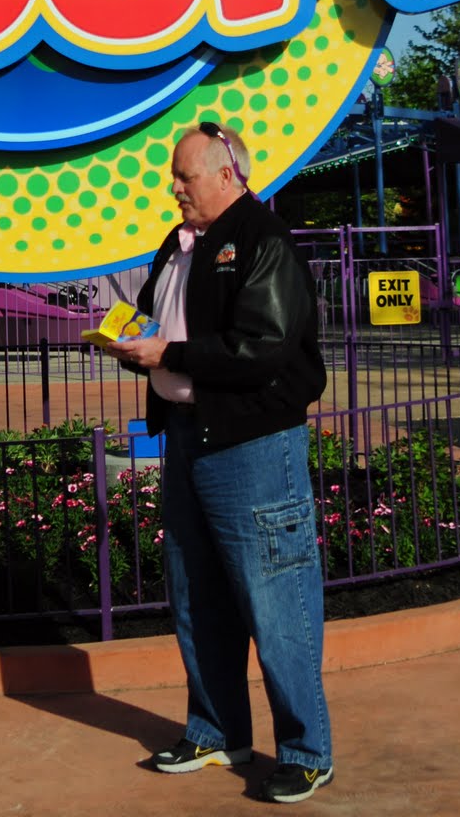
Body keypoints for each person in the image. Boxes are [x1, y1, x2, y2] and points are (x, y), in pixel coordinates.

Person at [106, 122, 333, 805]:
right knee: (196, 596)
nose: (174, 189)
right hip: (187, 436)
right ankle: (214, 731)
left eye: (184, 177)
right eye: (174, 178)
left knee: (276, 602)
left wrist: (168, 356)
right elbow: (158, 317)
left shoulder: (262, 240)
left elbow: (261, 346)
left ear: (226, 173)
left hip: (253, 445)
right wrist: (131, 337)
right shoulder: (178, 246)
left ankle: (303, 749)